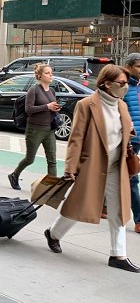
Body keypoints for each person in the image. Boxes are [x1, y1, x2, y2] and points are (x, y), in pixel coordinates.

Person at [44, 65, 139, 272]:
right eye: (121, 83)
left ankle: (118, 255)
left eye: (125, 83)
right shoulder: (87, 105)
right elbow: (76, 138)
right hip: (92, 164)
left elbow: (124, 130)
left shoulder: (121, 105)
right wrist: (71, 167)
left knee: (118, 211)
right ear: (106, 83)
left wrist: (128, 132)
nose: (124, 87)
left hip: (117, 165)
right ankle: (53, 234)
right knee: (78, 208)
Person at [8, 63, 59, 190]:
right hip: (35, 129)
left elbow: (51, 107)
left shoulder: (52, 91)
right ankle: (14, 175)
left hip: (49, 129)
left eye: (51, 72)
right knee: (30, 159)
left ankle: (52, 189)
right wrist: (47, 106)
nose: (50, 75)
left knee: (52, 160)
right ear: (40, 76)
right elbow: (28, 109)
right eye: (47, 73)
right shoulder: (34, 90)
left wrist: (55, 108)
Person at [123, 53, 140, 233]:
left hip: (137, 139)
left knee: (127, 176)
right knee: (132, 178)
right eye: (138, 66)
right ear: (128, 66)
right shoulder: (123, 86)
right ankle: (139, 219)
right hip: (126, 140)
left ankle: (103, 206)